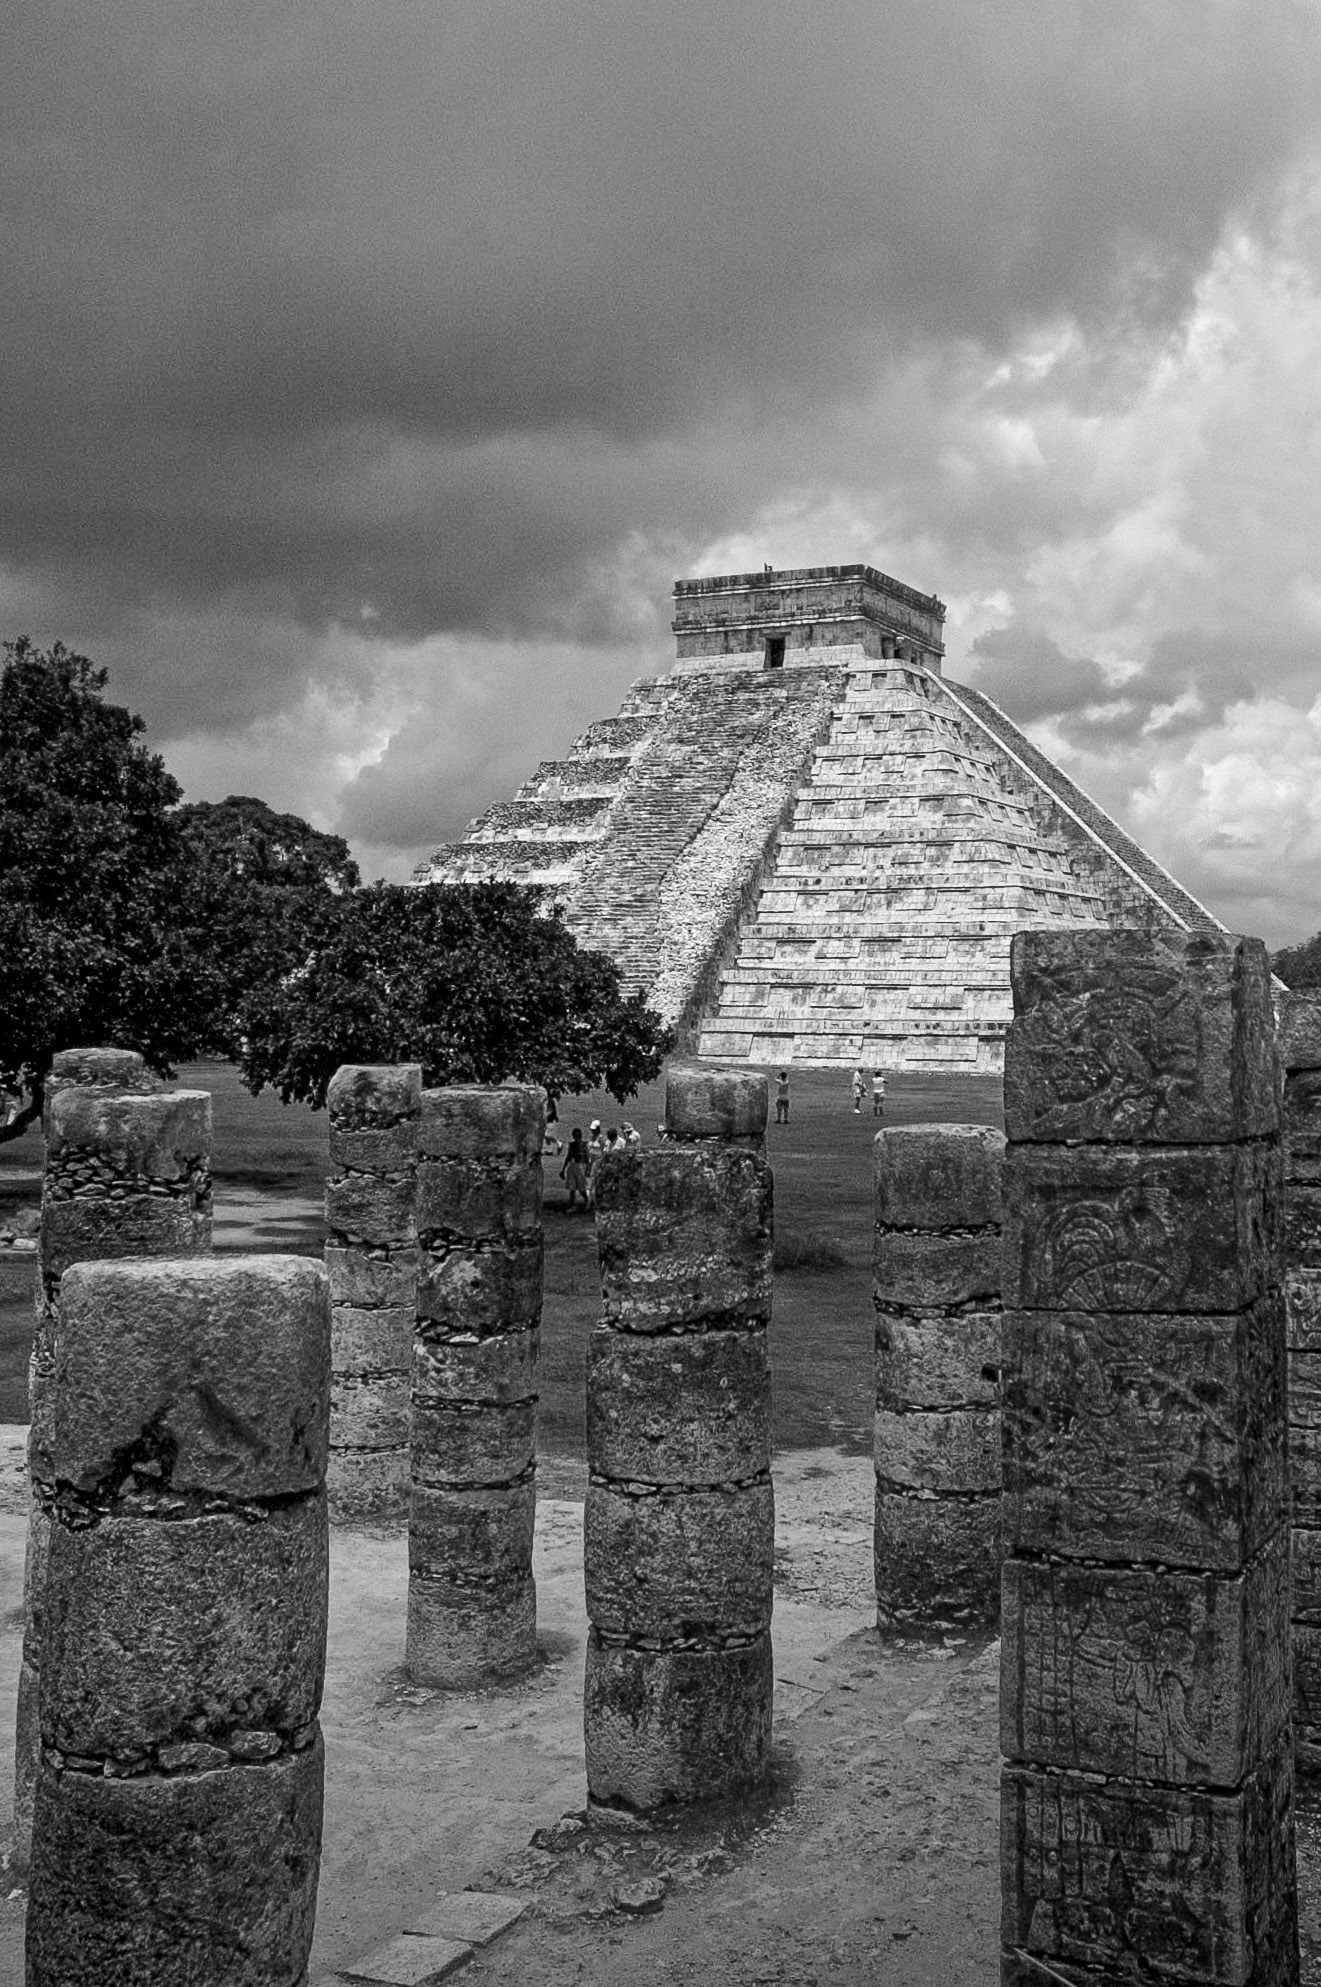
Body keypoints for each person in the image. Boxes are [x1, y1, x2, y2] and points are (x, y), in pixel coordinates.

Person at [560, 1128, 589, 1212]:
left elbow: (586, 1158)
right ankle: (572, 1205)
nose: (576, 1137)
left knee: (581, 1188)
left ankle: (587, 1200)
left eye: (577, 1135)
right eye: (574, 1135)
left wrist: (587, 1168)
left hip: (580, 1166)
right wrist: (563, 1169)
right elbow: (568, 1156)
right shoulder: (572, 1145)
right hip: (572, 1166)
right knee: (572, 1188)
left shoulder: (584, 1145)